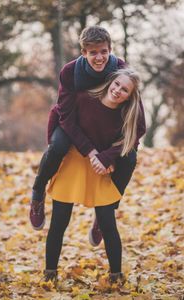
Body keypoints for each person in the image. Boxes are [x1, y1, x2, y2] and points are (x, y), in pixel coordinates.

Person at [30, 25, 145, 247]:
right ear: (83, 53)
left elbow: (138, 125)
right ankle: (37, 193)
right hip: (70, 121)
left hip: (106, 128)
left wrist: (108, 156)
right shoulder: (69, 72)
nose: (99, 57)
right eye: (93, 53)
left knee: (129, 158)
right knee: (57, 147)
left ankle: (107, 212)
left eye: (103, 51)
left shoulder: (121, 71)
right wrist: (92, 152)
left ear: (110, 49)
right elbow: (66, 116)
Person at [42, 68, 146, 285]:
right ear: (111, 81)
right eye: (117, 84)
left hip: (100, 166)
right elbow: (59, 115)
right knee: (59, 221)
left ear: (130, 96)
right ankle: (49, 273)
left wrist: (107, 159)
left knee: (108, 222)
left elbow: (129, 141)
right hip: (75, 157)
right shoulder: (84, 98)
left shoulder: (127, 114)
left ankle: (116, 275)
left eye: (124, 90)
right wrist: (51, 144)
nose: (118, 90)